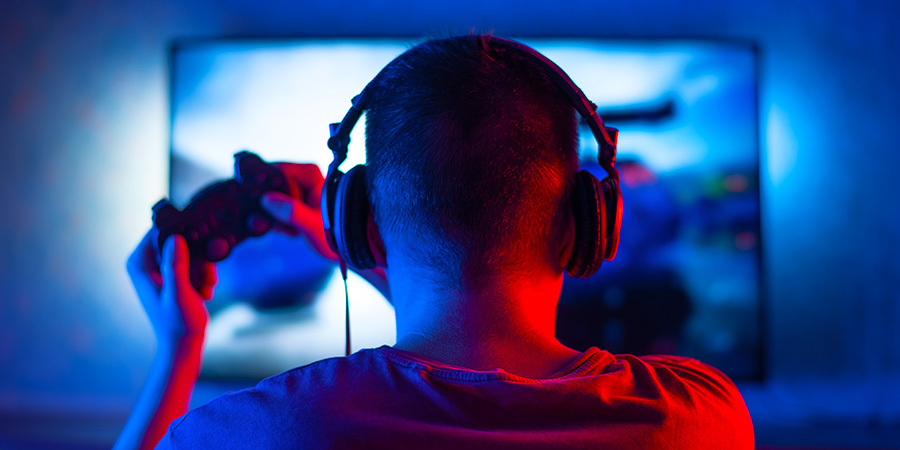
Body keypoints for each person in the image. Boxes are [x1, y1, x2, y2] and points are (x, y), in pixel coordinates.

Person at [117, 35, 754, 449]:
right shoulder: (698, 419)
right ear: (586, 226)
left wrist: (180, 348)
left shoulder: (255, 431)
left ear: (360, 225)